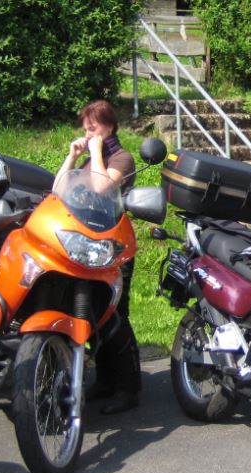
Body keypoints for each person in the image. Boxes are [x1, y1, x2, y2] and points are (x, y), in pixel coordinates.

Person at [58, 100, 142, 414]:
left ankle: (128, 388)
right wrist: (72, 157)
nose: (88, 133)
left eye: (93, 127)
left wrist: (94, 152)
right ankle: (105, 381)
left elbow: (101, 187)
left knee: (115, 315)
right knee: (92, 313)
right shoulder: (87, 160)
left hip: (115, 248)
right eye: (85, 128)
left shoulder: (122, 158)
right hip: (88, 245)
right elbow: (58, 190)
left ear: (109, 125)